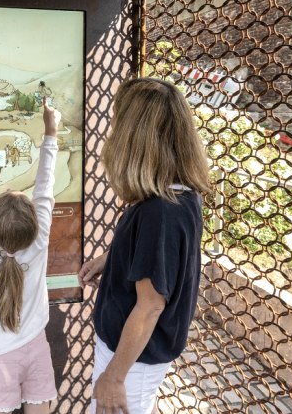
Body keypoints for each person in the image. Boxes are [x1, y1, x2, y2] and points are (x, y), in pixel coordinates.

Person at [78, 77, 210, 414]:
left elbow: (150, 305)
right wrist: (112, 259)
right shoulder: (179, 193)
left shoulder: (160, 212)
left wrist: (114, 377)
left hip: (131, 362)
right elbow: (160, 256)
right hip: (133, 355)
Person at [0, 97, 61, 414]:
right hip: (36, 348)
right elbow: (45, 185)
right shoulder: (39, 240)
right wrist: (50, 130)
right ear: (33, 223)